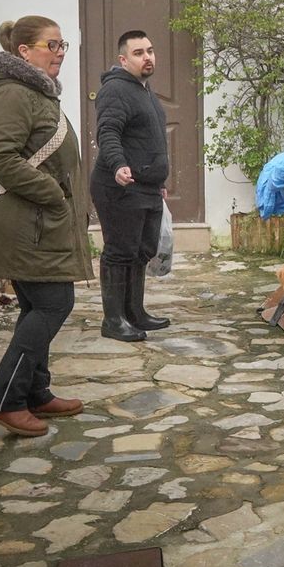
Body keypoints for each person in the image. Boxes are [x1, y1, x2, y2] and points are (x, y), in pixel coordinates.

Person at [0, 15, 94, 437]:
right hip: (28, 223)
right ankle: (4, 400)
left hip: (39, 222)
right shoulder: (11, 93)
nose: (59, 53)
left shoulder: (35, 92)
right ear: (24, 51)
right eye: (51, 45)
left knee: (37, 306)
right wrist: (53, 193)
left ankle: (35, 392)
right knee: (53, 304)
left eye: (63, 45)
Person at [90, 29, 171, 342]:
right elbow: (108, 131)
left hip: (147, 187)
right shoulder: (115, 90)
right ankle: (114, 320)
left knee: (142, 251)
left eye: (150, 50)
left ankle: (134, 313)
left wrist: (159, 181)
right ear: (123, 60)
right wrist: (118, 165)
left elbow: (149, 140)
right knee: (120, 252)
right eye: (138, 53)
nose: (147, 57)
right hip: (119, 185)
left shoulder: (145, 91)